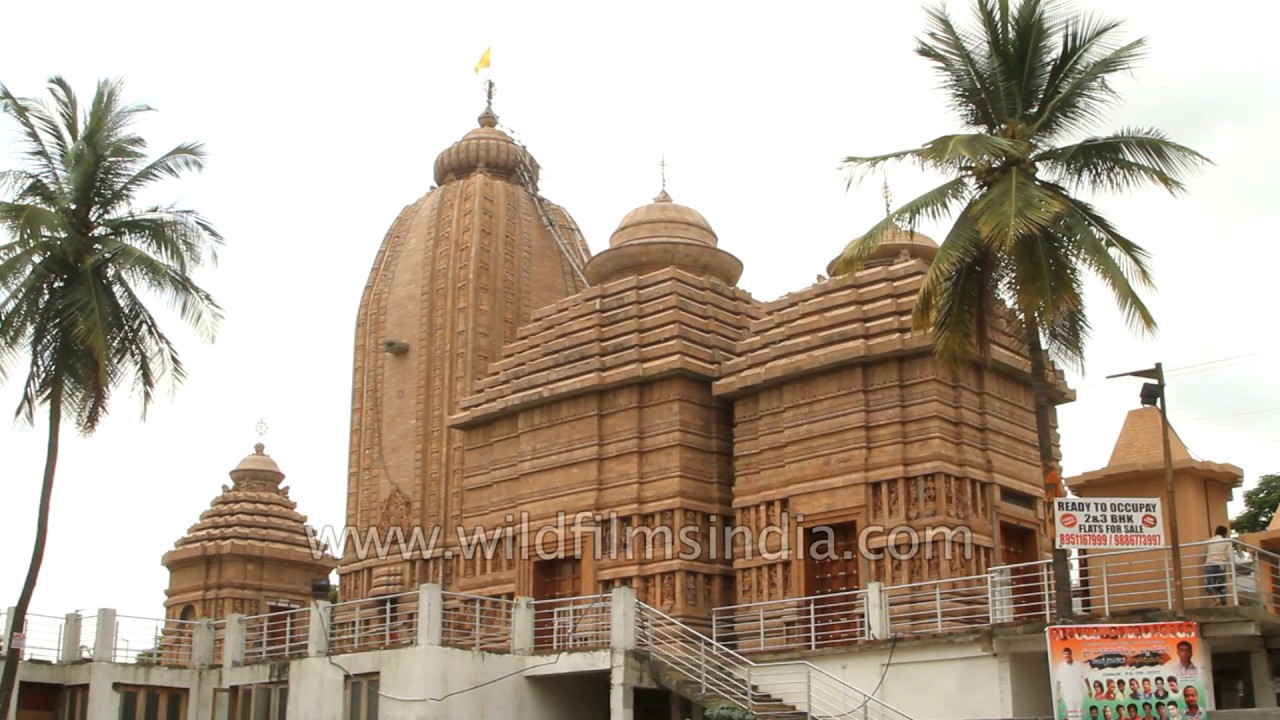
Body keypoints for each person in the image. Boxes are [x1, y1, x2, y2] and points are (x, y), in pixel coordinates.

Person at [1056, 647, 1088, 719]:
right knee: (1071, 716)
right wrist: (1058, 694)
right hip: (1068, 696)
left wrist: (1089, 689)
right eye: (1065, 654)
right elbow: (1058, 682)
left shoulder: (1078, 665)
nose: (1067, 656)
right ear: (1063, 655)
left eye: (1068, 654)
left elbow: (1085, 677)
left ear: (1071, 654)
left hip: (1079, 695)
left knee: (1079, 716)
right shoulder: (1061, 667)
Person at [1205, 525, 1232, 605]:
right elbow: (1228, 556)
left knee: (1209, 585)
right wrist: (1229, 566)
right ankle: (1223, 601)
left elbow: (1206, 553)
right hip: (1221, 565)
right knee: (1221, 585)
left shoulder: (1209, 541)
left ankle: (1216, 600)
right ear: (1224, 533)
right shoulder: (1226, 542)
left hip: (1210, 564)